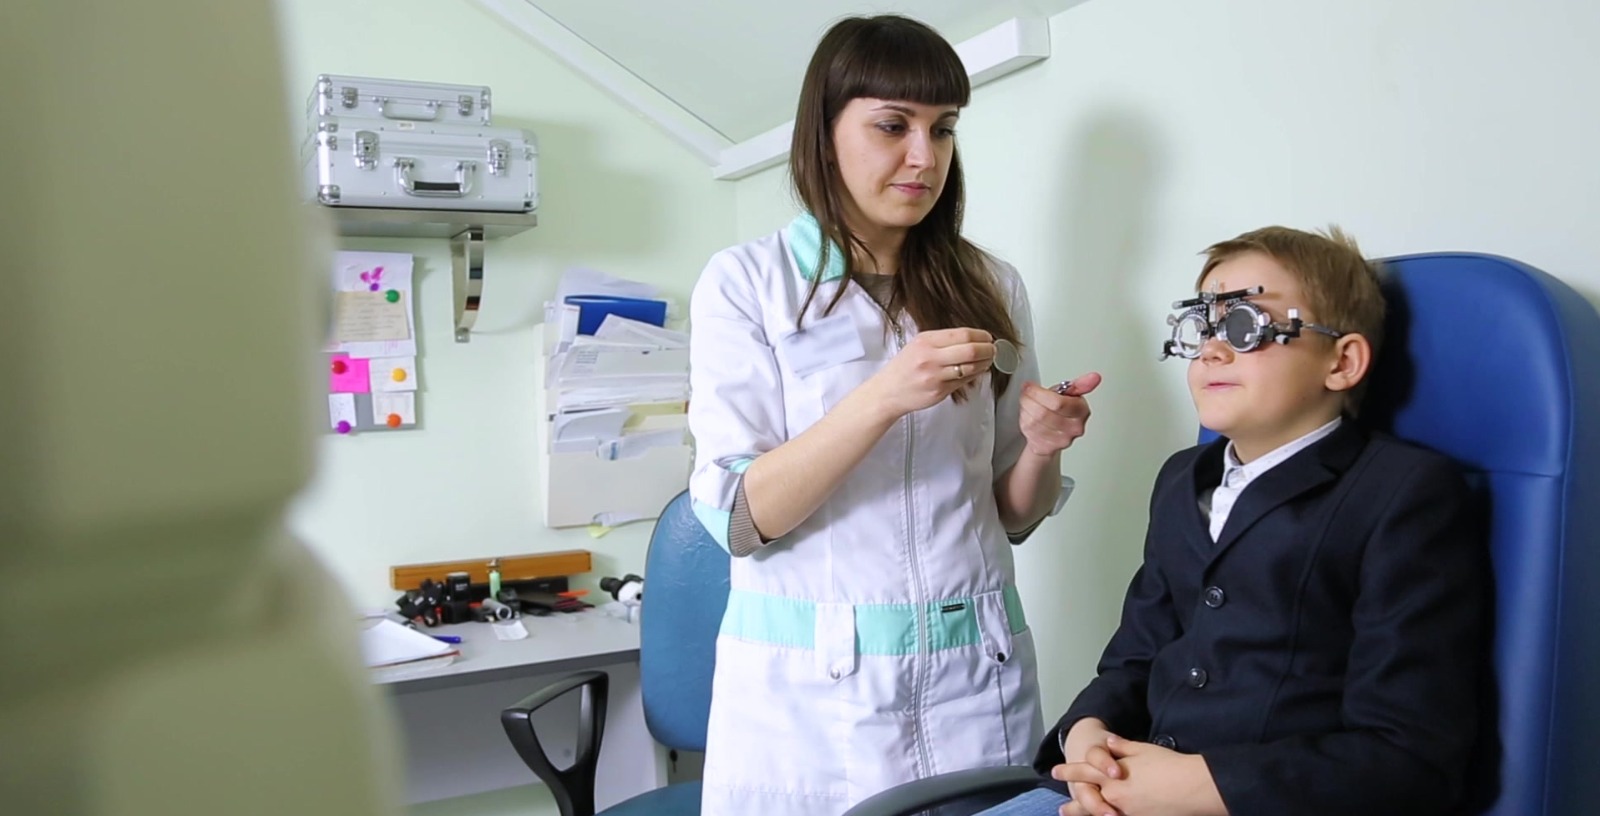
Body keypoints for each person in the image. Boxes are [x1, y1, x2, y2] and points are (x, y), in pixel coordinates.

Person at [685, 13, 1101, 816]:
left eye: (942, 129)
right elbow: (740, 519)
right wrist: (882, 394)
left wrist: (1043, 447)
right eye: (892, 126)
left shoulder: (991, 286)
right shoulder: (748, 285)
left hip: (975, 683)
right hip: (812, 706)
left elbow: (1013, 516)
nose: (924, 156)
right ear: (824, 135)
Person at [976, 226, 1491, 816]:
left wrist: (1196, 786)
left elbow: (1409, 756)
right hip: (1123, 791)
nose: (1212, 351)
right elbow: (1135, 659)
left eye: (1246, 325)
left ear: (1342, 361)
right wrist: (1088, 732)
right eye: (1203, 328)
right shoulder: (1180, 479)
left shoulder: (1401, 493)